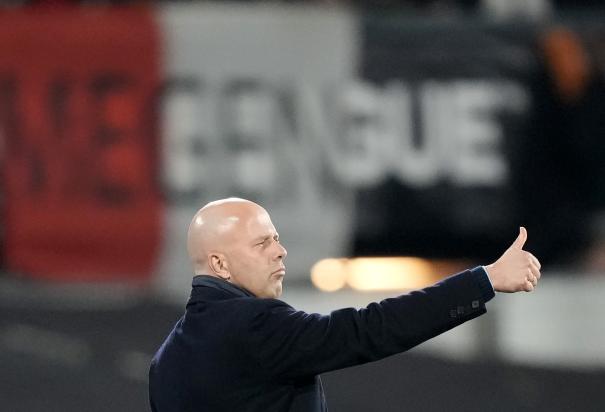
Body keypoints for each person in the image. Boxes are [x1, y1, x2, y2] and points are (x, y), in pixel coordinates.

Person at [149, 197, 541, 412]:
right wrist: (484, 280)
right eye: (262, 243)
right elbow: (369, 329)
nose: (281, 252)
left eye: (277, 238)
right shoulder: (254, 326)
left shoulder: (165, 361)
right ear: (220, 264)